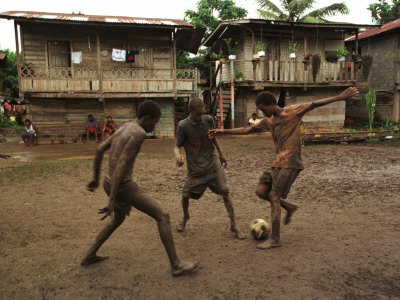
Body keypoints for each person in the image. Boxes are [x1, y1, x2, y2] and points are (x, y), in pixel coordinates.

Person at [208, 87, 359, 249]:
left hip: (291, 161)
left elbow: (315, 103)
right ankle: (290, 207)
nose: (262, 113)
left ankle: (275, 239)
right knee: (260, 191)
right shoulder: (268, 121)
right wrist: (221, 132)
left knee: (274, 196)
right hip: (277, 161)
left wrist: (340, 97)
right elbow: (247, 129)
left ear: (272, 104)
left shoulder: (292, 112)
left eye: (263, 109)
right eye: (260, 110)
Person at [81, 100, 198, 276]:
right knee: (163, 216)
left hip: (108, 181)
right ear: (147, 118)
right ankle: (176, 265)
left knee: (116, 220)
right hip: (122, 185)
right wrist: (112, 198)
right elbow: (121, 164)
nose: (155, 125)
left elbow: (99, 149)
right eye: (155, 121)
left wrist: (96, 180)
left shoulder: (127, 126)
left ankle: (89, 255)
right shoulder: (139, 133)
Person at [174, 98, 245, 239]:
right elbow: (177, 146)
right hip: (195, 170)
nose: (201, 117)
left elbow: (213, 138)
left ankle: (234, 225)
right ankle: (186, 216)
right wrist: (178, 157)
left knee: (225, 193)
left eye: (203, 113)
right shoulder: (183, 126)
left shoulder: (208, 120)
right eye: (198, 114)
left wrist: (221, 154)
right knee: (185, 195)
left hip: (212, 166)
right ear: (191, 112)